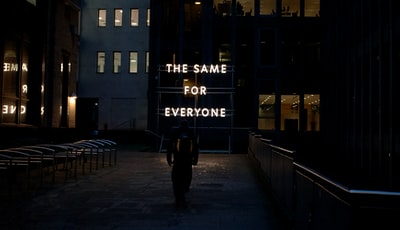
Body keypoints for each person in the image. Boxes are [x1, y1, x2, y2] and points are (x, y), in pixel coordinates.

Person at [167, 120, 199, 208]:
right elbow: (196, 147)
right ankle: (184, 190)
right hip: (187, 160)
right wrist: (195, 159)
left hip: (177, 160)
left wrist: (169, 158)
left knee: (176, 178)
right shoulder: (190, 133)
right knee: (187, 176)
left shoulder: (176, 133)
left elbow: (170, 146)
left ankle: (178, 196)